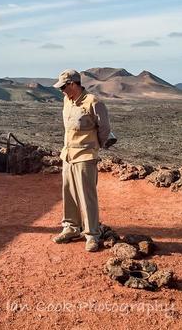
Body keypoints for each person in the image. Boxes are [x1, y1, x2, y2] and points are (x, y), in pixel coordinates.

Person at [51, 69, 112, 252]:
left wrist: (93, 147)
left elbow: (105, 128)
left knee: (87, 197)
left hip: (85, 155)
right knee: (68, 193)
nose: (61, 90)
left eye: (63, 86)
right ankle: (70, 228)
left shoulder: (93, 102)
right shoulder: (66, 101)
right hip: (68, 155)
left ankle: (92, 234)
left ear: (73, 84)